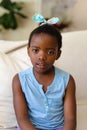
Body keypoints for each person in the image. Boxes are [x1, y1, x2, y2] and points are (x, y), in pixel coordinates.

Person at [12, 24, 76, 130]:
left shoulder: (67, 80)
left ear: (58, 54)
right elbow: (22, 119)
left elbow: (70, 119)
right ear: (28, 51)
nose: (42, 57)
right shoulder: (19, 80)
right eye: (36, 50)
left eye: (50, 52)